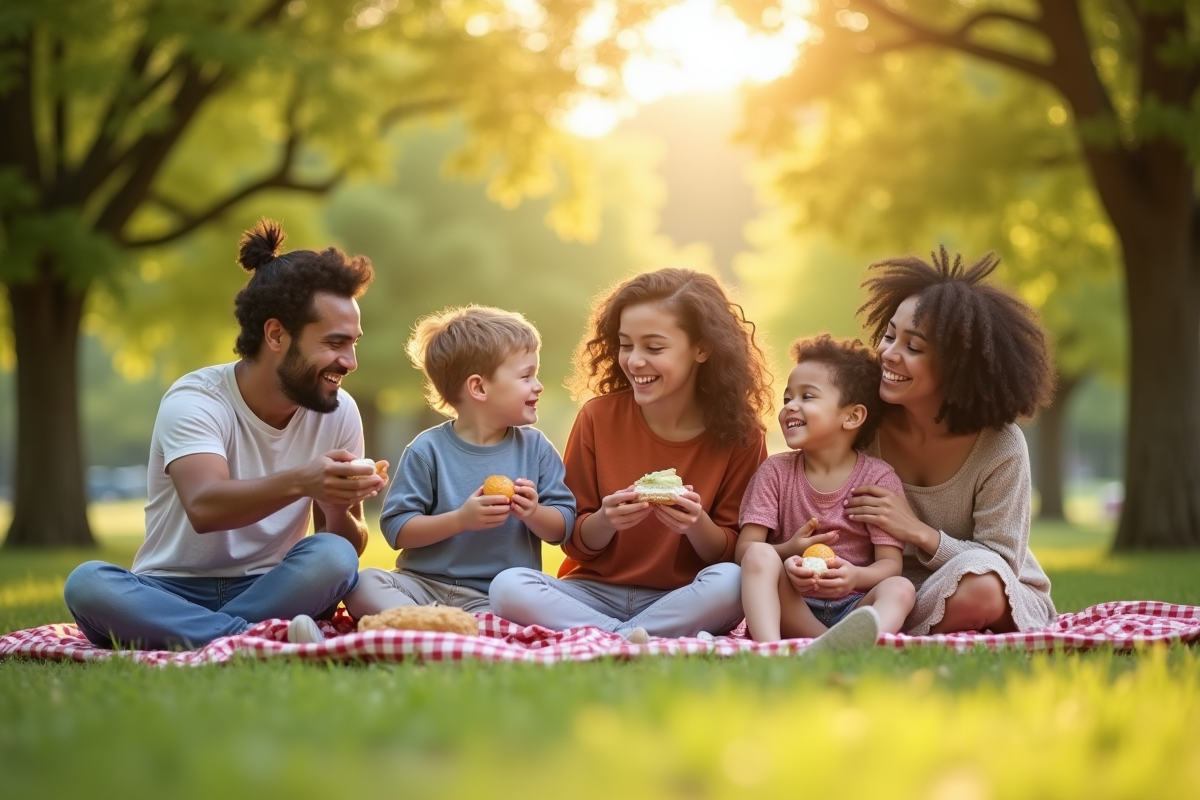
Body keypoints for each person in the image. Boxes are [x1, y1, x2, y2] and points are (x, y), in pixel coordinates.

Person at [492, 269, 881, 652]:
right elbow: (575, 541)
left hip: (683, 596)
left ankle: (607, 638)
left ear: (702, 348)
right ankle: (630, 638)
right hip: (592, 591)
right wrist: (606, 521)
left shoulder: (741, 436)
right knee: (507, 586)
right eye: (626, 345)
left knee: (731, 582)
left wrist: (696, 523)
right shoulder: (597, 417)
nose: (635, 361)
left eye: (654, 347)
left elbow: (731, 551)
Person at [63, 220, 386, 649]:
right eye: (335, 342)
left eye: (354, 344)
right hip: (169, 588)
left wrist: (339, 509)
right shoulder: (196, 399)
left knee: (335, 556)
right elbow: (205, 506)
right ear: (276, 334)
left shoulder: (338, 409)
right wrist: (303, 481)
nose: (350, 361)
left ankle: (198, 635)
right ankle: (249, 638)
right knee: (88, 585)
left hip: (273, 587)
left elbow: (348, 545)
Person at [845, 247, 1058, 635]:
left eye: (913, 347)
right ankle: (873, 626)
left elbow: (999, 563)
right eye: (890, 336)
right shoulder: (862, 425)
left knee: (981, 585)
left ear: (959, 367)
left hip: (979, 587)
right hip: (882, 590)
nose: (889, 354)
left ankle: (879, 630)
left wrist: (917, 531)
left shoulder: (1000, 446)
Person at [343, 306, 575, 618]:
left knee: (525, 592)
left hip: (495, 595)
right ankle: (438, 624)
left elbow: (562, 527)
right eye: (526, 375)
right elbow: (397, 529)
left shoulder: (536, 449)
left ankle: (426, 627)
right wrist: (460, 521)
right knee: (364, 583)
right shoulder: (427, 450)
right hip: (421, 586)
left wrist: (534, 512)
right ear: (479, 387)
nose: (538, 385)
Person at [738, 334, 916, 642]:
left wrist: (855, 577)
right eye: (787, 398)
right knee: (758, 556)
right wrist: (786, 553)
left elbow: (891, 564)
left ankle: (857, 643)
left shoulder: (878, 477)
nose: (790, 407)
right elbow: (744, 552)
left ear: (852, 416)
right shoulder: (775, 472)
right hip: (792, 605)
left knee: (901, 589)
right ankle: (769, 651)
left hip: (854, 606)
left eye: (807, 397)